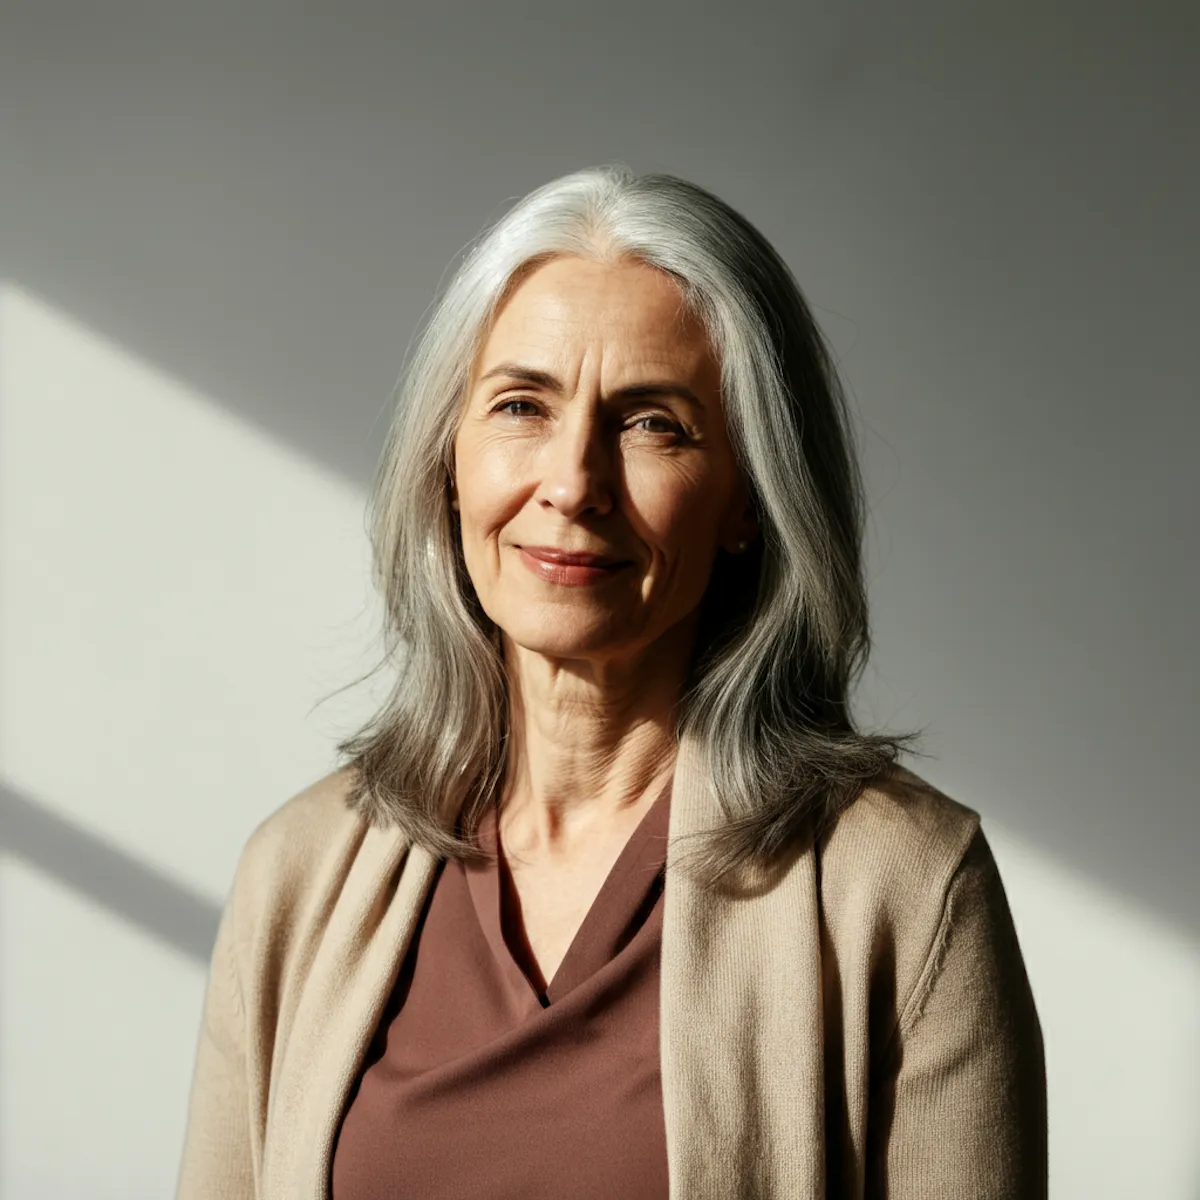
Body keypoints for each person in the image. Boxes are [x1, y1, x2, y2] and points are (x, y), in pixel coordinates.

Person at [176, 165, 1047, 1199]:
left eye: (652, 423)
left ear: (748, 499)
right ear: (447, 459)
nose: (573, 484)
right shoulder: (297, 873)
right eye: (521, 406)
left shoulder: (907, 887)